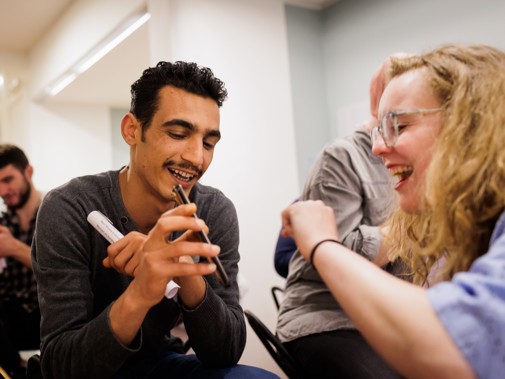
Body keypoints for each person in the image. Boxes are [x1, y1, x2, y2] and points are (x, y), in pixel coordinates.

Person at [32, 61, 279, 379]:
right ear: (132, 130)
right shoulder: (70, 206)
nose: (196, 158)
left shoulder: (214, 211)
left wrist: (185, 268)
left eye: (209, 143)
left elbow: (226, 350)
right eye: (178, 134)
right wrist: (142, 291)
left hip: (160, 364)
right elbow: (62, 367)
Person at [280, 44, 505, 379]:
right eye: (378, 127)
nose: (378, 147)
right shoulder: (341, 157)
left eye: (398, 125)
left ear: (469, 124)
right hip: (328, 317)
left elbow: (458, 342)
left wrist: (321, 244)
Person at [275, 59, 406, 378]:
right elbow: (339, 259)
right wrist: (410, 228)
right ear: (380, 101)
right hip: (328, 317)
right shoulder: (342, 157)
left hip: (391, 316)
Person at [0, 144, 42, 379]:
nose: (3, 190)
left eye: (8, 180)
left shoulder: (56, 213)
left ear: (28, 172)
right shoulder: (4, 223)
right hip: (10, 319)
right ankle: (17, 368)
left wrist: (14, 248)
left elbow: (64, 270)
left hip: (47, 314)